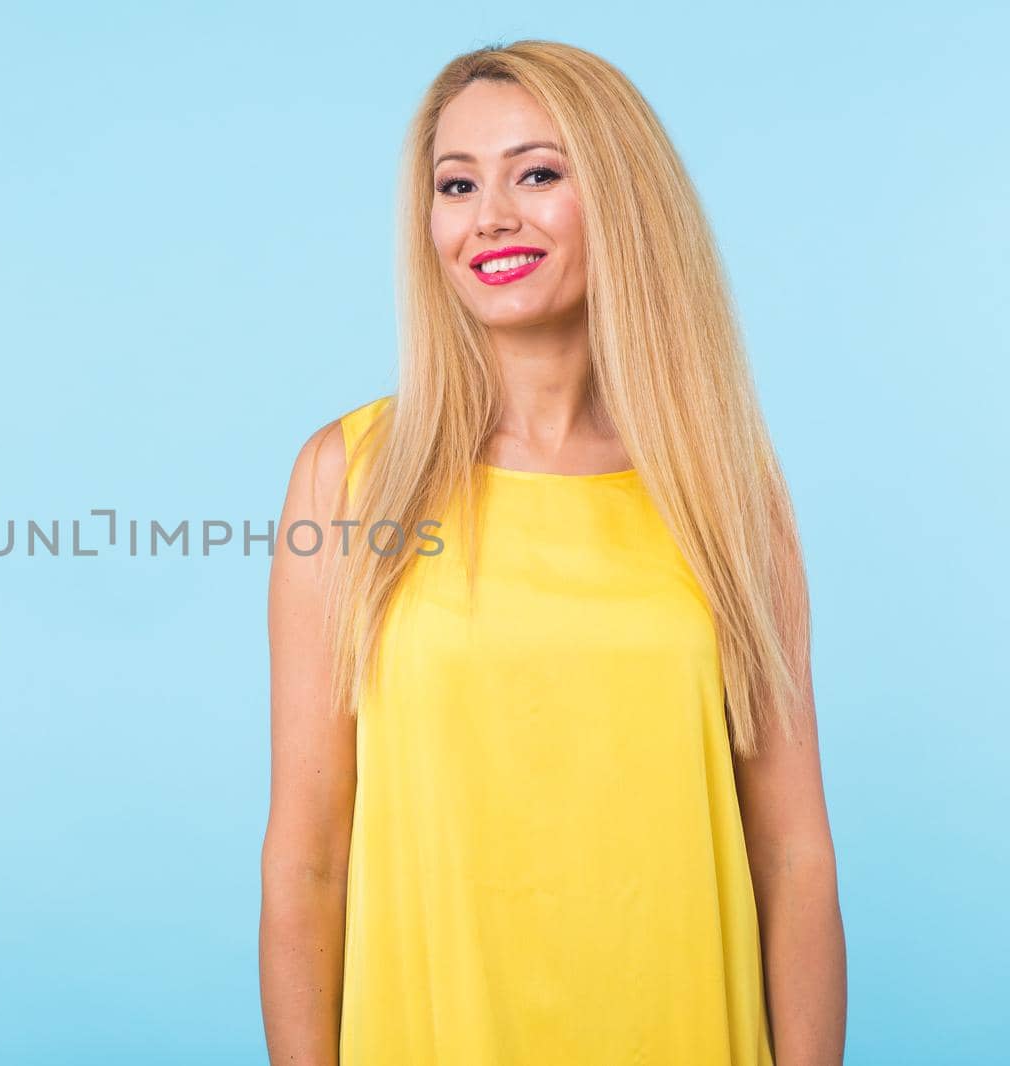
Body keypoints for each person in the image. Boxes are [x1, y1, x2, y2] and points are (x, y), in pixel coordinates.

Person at [259, 40, 846, 1065]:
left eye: (536, 172)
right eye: (456, 184)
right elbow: (308, 858)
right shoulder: (349, 480)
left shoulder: (725, 490)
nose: (489, 215)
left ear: (617, 197)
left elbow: (792, 856)